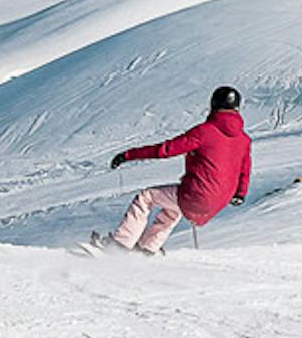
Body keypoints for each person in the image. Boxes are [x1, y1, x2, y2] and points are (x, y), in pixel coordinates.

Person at [92, 85, 253, 256]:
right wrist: (240, 194)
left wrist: (128, 155)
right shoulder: (244, 140)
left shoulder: (203, 132)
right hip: (220, 200)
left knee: (146, 197)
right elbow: (245, 169)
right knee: (174, 207)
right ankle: (147, 247)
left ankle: (120, 245)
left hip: (198, 195)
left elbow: (166, 150)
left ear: (213, 104)